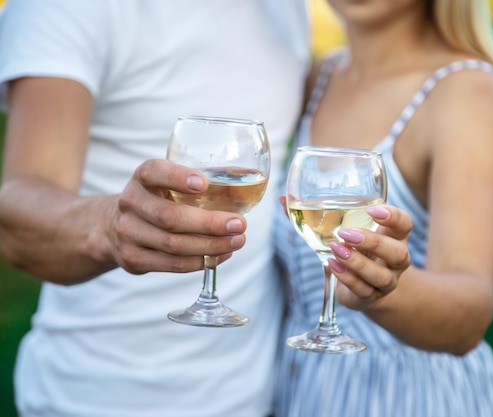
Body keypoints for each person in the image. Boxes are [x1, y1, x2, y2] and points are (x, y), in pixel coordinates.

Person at [0, 1, 312, 416]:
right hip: (96, 398)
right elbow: (17, 214)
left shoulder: (286, 9)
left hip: (253, 398)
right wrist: (108, 226)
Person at [272, 0, 493, 416]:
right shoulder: (320, 77)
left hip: (414, 397)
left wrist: (379, 290)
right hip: (306, 392)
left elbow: (471, 313)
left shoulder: (469, 92)